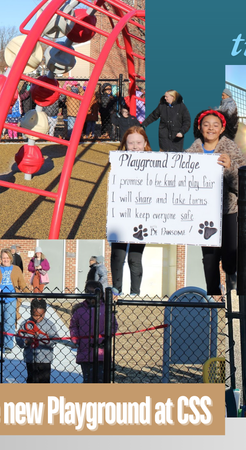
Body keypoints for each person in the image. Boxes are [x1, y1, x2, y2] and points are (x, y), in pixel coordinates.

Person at [186, 109, 246, 296]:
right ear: (200, 127)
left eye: (215, 125)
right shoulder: (190, 153)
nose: (210, 128)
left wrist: (230, 167)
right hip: (204, 212)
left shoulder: (232, 149)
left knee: (230, 254)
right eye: (206, 124)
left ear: (222, 129)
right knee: (209, 259)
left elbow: (243, 185)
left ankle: (233, 286)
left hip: (228, 210)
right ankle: (214, 295)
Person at [111, 127, 150, 295]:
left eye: (138, 143)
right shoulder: (117, 162)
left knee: (135, 258)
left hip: (142, 216)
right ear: (125, 145)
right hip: (121, 215)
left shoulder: (156, 162)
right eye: (131, 143)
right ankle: (116, 292)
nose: (135, 146)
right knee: (117, 257)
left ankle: (135, 294)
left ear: (145, 144)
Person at [69, 280, 117, 383]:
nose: (91, 295)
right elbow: (73, 326)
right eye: (88, 292)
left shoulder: (105, 309)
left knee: (101, 379)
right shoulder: (79, 310)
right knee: (88, 380)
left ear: (100, 294)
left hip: (101, 352)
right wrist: (76, 339)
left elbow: (113, 325)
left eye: (94, 292)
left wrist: (105, 338)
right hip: (85, 351)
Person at [0, 248, 26, 353]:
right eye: (3, 258)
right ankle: (0, 342)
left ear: (11, 258)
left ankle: (8, 345)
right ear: (1, 258)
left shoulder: (16, 269)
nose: (5, 259)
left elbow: (22, 283)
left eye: (7, 257)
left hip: (11, 299)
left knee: (9, 322)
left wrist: (29, 293)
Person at [16, 299, 59, 383]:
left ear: (45, 312)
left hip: (45, 359)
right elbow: (18, 338)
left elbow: (55, 339)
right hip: (30, 359)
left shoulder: (49, 324)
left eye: (40, 315)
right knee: (32, 380)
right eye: (35, 315)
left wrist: (41, 338)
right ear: (30, 312)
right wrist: (26, 342)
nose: (38, 318)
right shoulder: (25, 324)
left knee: (44, 381)